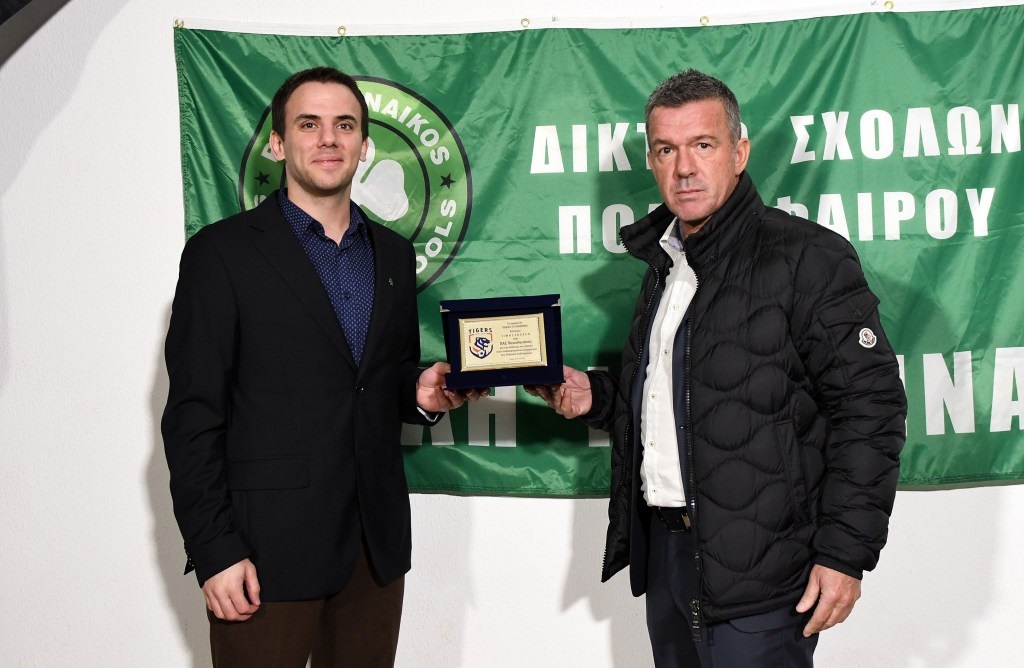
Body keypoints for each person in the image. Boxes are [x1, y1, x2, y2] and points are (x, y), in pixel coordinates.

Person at [528, 69, 906, 667]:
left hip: (766, 576)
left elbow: (871, 410)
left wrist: (844, 554)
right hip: (670, 559)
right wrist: (596, 398)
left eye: (702, 145)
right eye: (666, 150)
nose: (684, 167)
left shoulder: (809, 257)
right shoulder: (666, 264)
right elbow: (684, 394)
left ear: (739, 152)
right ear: (651, 162)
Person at [162, 66, 482, 668]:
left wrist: (421, 394)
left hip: (373, 551)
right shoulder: (220, 253)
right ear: (278, 144)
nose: (329, 138)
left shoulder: (393, 253)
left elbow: (378, 380)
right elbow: (192, 416)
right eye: (309, 124)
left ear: (364, 145)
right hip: (264, 553)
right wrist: (214, 549)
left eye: (345, 125)